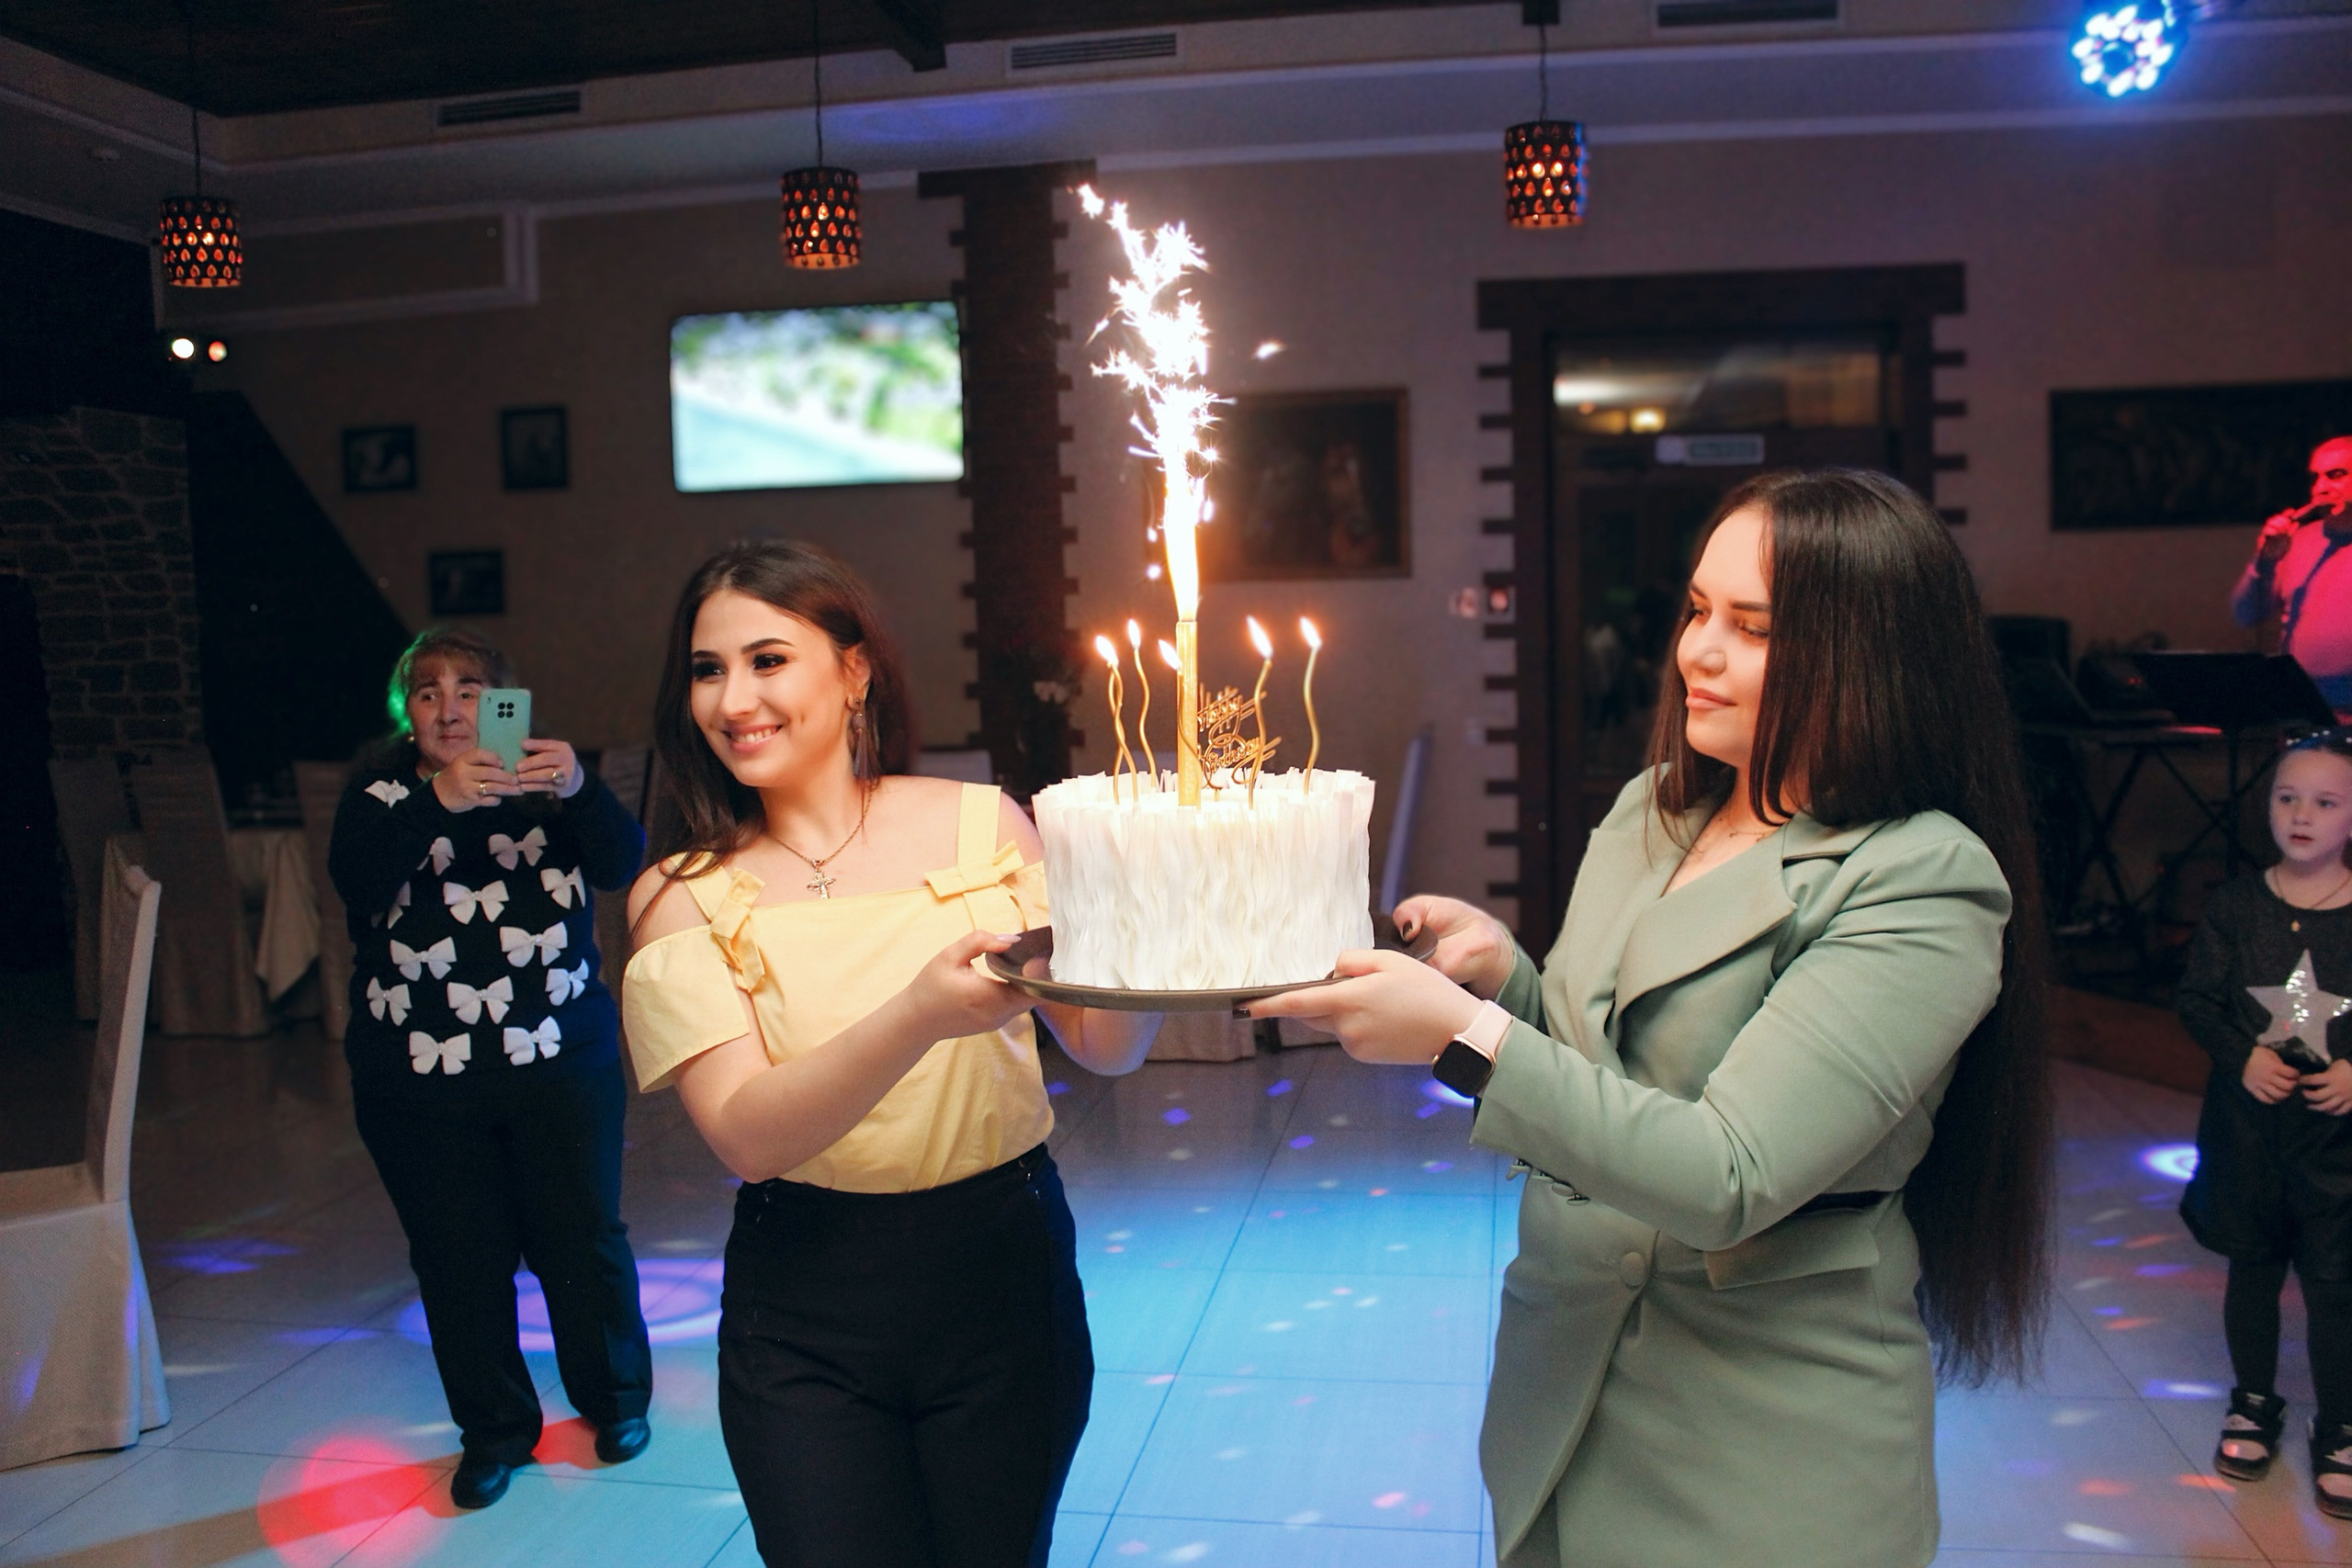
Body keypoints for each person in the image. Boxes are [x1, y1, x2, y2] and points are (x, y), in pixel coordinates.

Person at [1252, 468, 2052, 1568]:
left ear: (1870, 656)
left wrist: (1466, 1038)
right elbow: (1614, 1065)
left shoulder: (1918, 877)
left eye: (1753, 627)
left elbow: (1728, 1172)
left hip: (1759, 1429)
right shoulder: (1657, 812)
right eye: (1696, 611)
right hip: (1565, 1367)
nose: (1696, 654)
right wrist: (1505, 982)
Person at [620, 541, 1159, 1568]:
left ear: (853, 669)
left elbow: (1104, 1047)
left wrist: (1150, 932)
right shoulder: (678, 893)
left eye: (767, 659)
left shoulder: (979, 824)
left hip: (1002, 1274)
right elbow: (746, 1134)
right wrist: (916, 1014)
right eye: (707, 668)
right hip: (806, 1306)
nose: (734, 698)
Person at [329, 626, 653, 1510]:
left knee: (582, 1237)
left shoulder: (549, 784)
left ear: (502, 703)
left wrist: (582, 788)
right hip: (418, 1079)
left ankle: (616, 1399)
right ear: (408, 712)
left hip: (558, 1062)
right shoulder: (380, 789)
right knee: (456, 1257)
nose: (449, 706)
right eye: (427, 691)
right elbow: (357, 879)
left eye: (470, 689)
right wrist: (435, 802)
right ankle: (496, 1430)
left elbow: (626, 863)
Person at [2175, 729, 2352, 1517]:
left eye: (2325, 801)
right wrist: (2241, 1055)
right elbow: (2196, 999)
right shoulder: (2235, 903)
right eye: (2287, 797)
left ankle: (2342, 1422)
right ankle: (2253, 1397)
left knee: (2335, 1279)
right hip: (2250, 1132)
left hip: (2336, 1146)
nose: (2301, 815)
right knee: (2253, 1264)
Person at [2234, 435, 2352, 718]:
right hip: (2303, 715)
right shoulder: (2295, 542)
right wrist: (2264, 562)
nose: (2320, 488)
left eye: (2335, 475)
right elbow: (2246, 614)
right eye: (2316, 477)